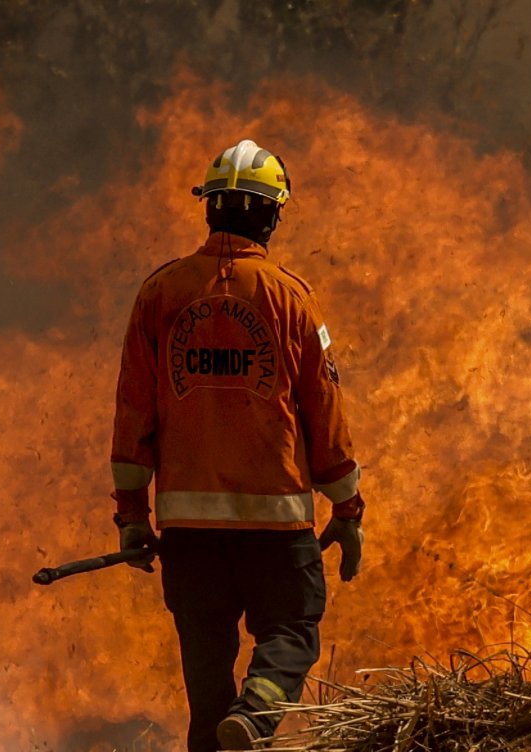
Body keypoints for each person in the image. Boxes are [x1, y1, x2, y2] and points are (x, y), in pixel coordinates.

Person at [109, 139, 366, 751]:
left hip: (188, 532)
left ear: (208, 210)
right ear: (272, 215)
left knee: (205, 683)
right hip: (274, 529)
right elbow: (324, 411)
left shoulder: (159, 295)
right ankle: (258, 711)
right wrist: (348, 509)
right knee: (292, 631)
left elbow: (132, 416)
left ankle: (229, 722)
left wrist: (130, 517)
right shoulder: (290, 297)